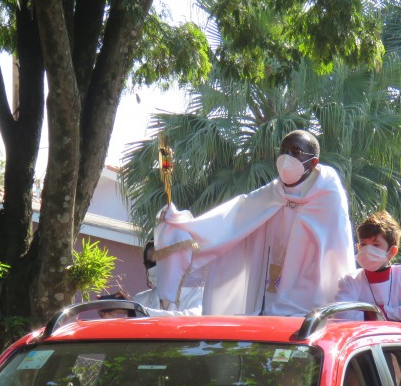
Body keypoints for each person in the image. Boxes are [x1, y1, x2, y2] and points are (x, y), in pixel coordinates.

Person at [152, 129, 355, 316]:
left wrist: (284, 309)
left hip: (313, 310)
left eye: (295, 152)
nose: (286, 158)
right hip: (266, 302)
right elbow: (232, 221)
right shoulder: (274, 193)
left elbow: (326, 262)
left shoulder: (328, 196)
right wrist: (182, 229)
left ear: (313, 162)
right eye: (283, 151)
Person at [334, 211, 401, 328]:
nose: (367, 250)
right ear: (358, 247)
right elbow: (342, 318)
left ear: (392, 251)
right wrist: (394, 314)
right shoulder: (349, 280)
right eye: (363, 244)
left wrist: (377, 312)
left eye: (375, 245)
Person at [133, 240, 203, 316]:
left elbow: (190, 318)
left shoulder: (199, 295)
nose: (157, 268)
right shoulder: (139, 300)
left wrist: (140, 310)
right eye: (151, 263)